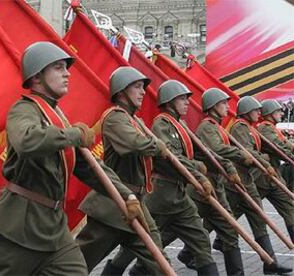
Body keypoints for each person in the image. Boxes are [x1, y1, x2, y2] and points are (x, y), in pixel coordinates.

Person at [0, 42, 147, 275]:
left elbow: (93, 170)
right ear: (37, 76)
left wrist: (127, 196)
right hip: (20, 225)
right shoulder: (24, 109)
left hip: (54, 228)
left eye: (66, 68)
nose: (67, 73)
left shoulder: (58, 117)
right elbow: (27, 141)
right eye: (58, 67)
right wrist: (74, 134)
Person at [106, 80, 220, 276]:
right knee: (140, 247)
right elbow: (171, 158)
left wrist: (203, 171)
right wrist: (198, 174)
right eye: (182, 99)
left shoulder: (179, 124)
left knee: (200, 240)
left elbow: (193, 153)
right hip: (161, 197)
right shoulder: (162, 124)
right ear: (169, 101)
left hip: (180, 195)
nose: (187, 103)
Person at [76, 67, 169, 275]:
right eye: (136, 87)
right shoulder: (114, 117)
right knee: (77, 266)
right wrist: (156, 145)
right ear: (120, 92)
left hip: (136, 203)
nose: (143, 91)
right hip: (112, 206)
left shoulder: (134, 120)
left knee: (161, 263)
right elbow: (134, 144)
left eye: (142, 87)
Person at [177, 88, 245, 275]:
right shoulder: (207, 127)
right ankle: (140, 269)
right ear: (213, 106)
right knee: (169, 232)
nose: (227, 107)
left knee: (230, 231)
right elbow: (217, 150)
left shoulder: (216, 126)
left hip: (216, 185)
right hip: (200, 188)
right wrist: (239, 157)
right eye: (223, 103)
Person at [223, 96, 292, 274]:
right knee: (221, 219)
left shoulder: (252, 128)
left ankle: (270, 264)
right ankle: (188, 252)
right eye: (256, 110)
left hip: (251, 180)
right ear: (247, 111)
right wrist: (265, 159)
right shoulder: (240, 127)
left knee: (257, 219)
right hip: (240, 181)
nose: (259, 113)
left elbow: (272, 147)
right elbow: (248, 152)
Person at [256, 99, 294, 243]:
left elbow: (284, 143)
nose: (280, 113)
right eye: (277, 111)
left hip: (272, 177)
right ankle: (189, 252)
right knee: (240, 209)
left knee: (288, 206)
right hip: (261, 177)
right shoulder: (265, 129)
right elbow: (278, 147)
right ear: (269, 113)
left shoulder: (271, 128)